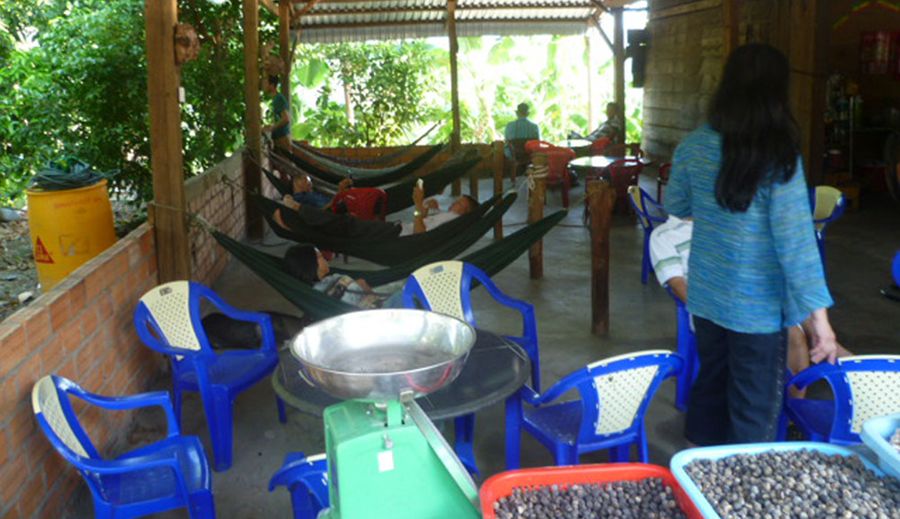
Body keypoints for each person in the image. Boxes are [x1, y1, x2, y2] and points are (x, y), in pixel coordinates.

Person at [663, 43, 839, 446]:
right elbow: (796, 244)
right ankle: (740, 480)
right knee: (753, 406)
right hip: (758, 309)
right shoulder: (779, 157)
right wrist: (820, 323)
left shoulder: (694, 145)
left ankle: (696, 469)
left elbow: (676, 205)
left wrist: (716, 210)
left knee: (711, 386)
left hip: (707, 295)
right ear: (776, 93)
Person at [649, 216, 852, 398]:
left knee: (795, 308)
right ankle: (800, 401)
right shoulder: (664, 236)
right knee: (793, 334)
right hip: (715, 310)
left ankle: (840, 366)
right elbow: (678, 285)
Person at [283, 244, 402, 309]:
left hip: (374, 306)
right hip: (379, 313)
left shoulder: (316, 292)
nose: (325, 259)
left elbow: (360, 285)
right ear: (311, 264)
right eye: (320, 257)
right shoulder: (331, 287)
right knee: (405, 291)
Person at [400, 184, 479, 236]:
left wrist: (418, 204)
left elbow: (419, 234)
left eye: (459, 203)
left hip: (402, 236)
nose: (454, 203)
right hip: (401, 230)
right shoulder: (448, 216)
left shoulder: (451, 219)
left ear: (465, 213)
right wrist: (428, 211)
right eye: (456, 201)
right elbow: (425, 222)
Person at [280, 175, 352, 211]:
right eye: (306, 181)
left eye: (310, 181)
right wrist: (340, 192)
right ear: (297, 184)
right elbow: (319, 213)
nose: (310, 183)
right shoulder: (300, 198)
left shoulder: (311, 193)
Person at [263, 74, 291, 150]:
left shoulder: (278, 99)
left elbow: (286, 119)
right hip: (279, 140)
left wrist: (271, 128)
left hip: (282, 139)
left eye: (265, 83)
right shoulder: (275, 99)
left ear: (272, 85)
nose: (263, 85)